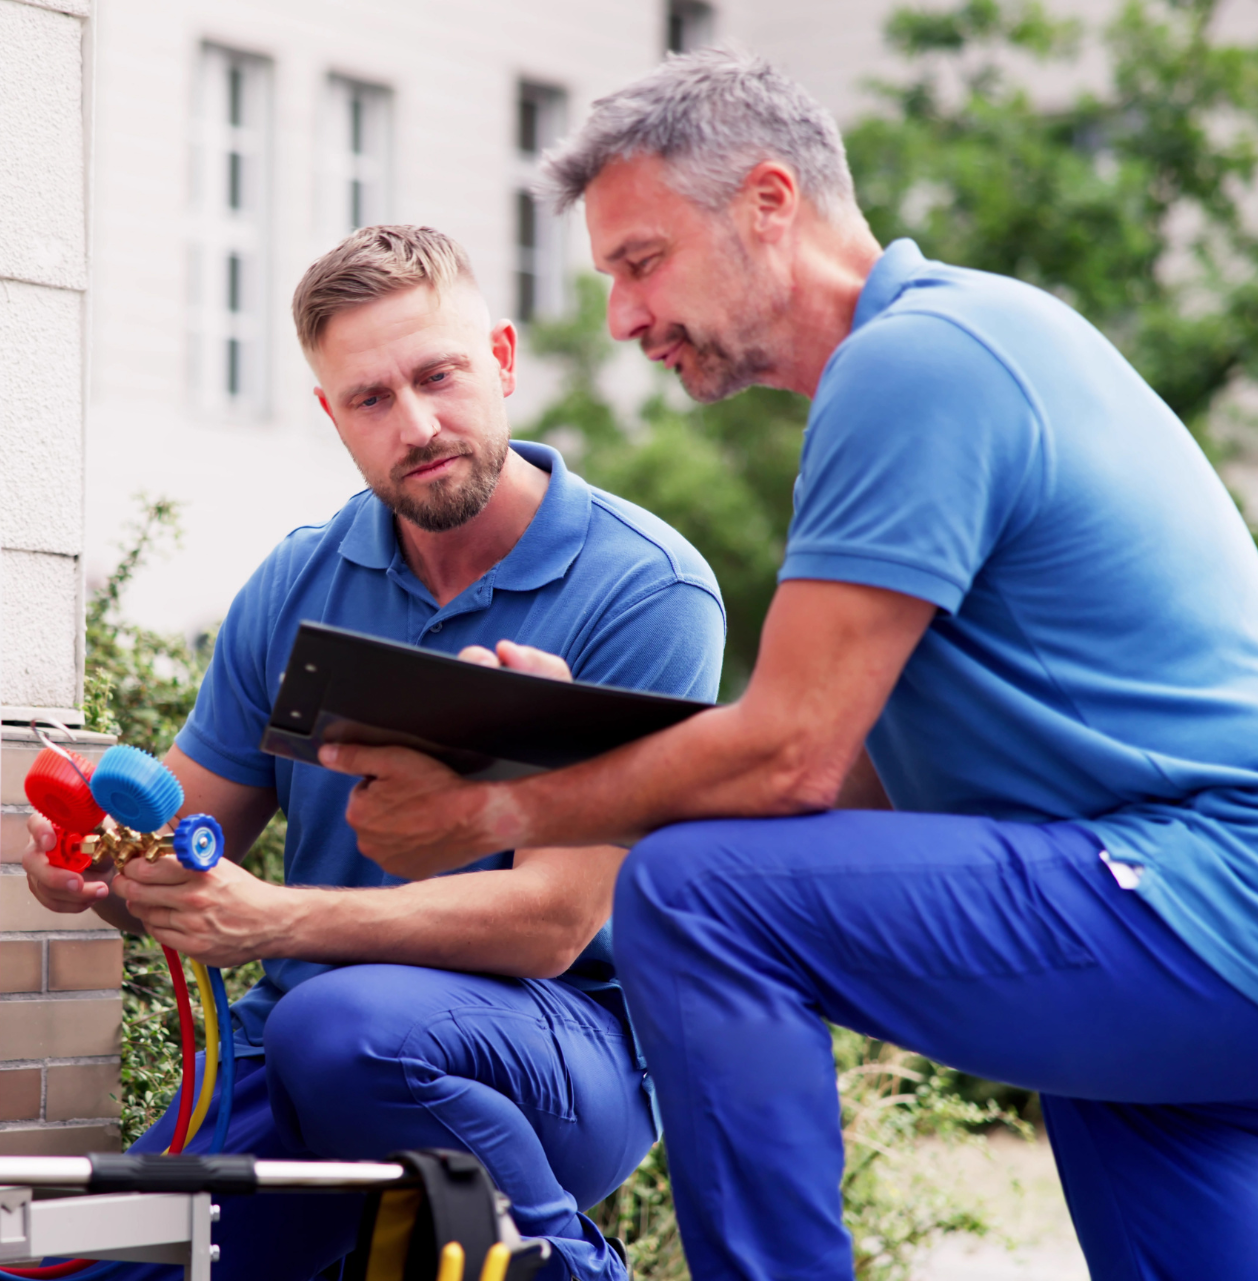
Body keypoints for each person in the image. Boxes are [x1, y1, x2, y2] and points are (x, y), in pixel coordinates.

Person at [321, 49, 1258, 1281]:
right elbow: (858, 778)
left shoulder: (917, 363)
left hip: (1197, 888)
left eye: (641, 262)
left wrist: (493, 808)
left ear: (770, 203)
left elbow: (793, 762)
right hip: (1164, 924)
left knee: (696, 896)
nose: (623, 318)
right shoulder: (955, 346)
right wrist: (581, 746)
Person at [24, 224, 725, 1280]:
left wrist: (277, 919)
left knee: (343, 1024)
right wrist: (104, 871)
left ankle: (570, 1269)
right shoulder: (298, 584)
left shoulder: (644, 592)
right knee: (94, 1266)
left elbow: (552, 923)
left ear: (500, 358)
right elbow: (177, 849)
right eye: (371, 399)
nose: (418, 423)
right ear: (331, 416)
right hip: (296, 1046)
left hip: (565, 1049)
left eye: (439, 376)